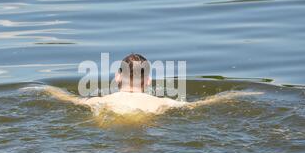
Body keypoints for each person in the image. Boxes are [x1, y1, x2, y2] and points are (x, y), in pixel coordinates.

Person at [44, 53, 261, 115]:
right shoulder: (161, 103)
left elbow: (66, 98)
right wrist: (233, 95)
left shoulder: (99, 101)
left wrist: (45, 88)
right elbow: (203, 105)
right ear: (148, 81)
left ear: (118, 77)